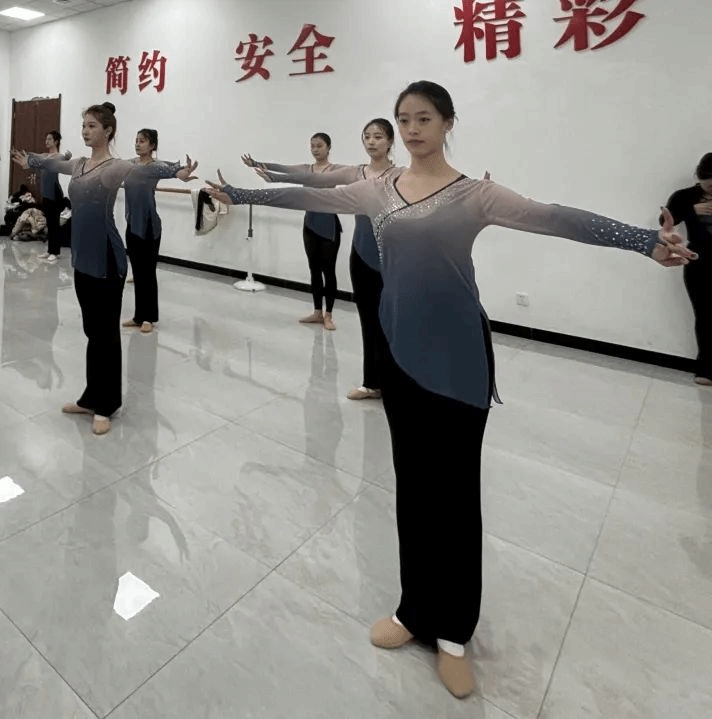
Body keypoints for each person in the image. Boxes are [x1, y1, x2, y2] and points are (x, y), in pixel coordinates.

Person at [206, 80, 694, 700]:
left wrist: (644, 242)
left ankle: (455, 632)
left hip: (459, 361)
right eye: (404, 119)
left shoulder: (474, 194)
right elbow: (311, 194)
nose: (412, 130)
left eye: (424, 119)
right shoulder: (378, 188)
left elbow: (556, 218)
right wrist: (241, 193)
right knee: (412, 488)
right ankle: (414, 611)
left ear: (447, 123)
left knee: (456, 498)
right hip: (400, 355)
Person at [11, 102, 197, 435]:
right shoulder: (79, 164)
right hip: (82, 257)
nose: (85, 131)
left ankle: (107, 404)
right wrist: (32, 161)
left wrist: (177, 171)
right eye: (84, 125)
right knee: (91, 332)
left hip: (107, 258)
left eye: (92, 126)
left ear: (108, 131)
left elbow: (147, 169)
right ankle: (90, 397)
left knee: (106, 334)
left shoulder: (116, 166)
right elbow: (56, 162)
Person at [252, 119, 402, 399]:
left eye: (378, 137)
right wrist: (272, 177)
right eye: (367, 136)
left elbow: (432, 191)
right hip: (362, 256)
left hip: (392, 257)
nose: (371, 142)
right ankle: (372, 383)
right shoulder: (356, 173)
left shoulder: (400, 175)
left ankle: (395, 385)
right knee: (369, 322)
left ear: (390, 141)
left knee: (393, 323)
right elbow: (313, 180)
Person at [242, 133, 347, 330]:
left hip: (329, 227)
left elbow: (354, 175)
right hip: (310, 224)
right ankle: (317, 312)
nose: (315, 150)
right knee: (314, 270)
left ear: (328, 147)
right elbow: (283, 168)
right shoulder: (306, 169)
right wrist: (255, 163)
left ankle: (329, 315)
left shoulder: (335, 170)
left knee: (328, 271)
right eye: (312, 146)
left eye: (319, 146)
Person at [663, 152, 712, 385]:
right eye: (708, 186)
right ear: (698, 177)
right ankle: (706, 368)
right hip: (699, 260)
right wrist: (694, 211)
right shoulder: (684, 196)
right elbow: (665, 223)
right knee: (705, 314)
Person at [122, 128, 176, 334]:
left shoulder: (155, 167)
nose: (137, 144)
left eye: (142, 141)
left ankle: (149, 317)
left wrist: (182, 171)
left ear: (152, 145)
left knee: (147, 273)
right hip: (132, 224)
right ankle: (138, 316)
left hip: (149, 226)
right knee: (137, 272)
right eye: (136, 140)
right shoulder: (131, 164)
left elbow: (172, 170)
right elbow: (113, 165)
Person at [36, 130, 72, 264]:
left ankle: (55, 251)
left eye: (49, 139)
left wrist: (67, 157)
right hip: (45, 193)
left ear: (56, 141)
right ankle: (49, 250)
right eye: (46, 139)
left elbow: (66, 161)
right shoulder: (45, 156)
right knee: (49, 223)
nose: (47, 141)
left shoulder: (59, 157)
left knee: (54, 223)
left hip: (54, 193)